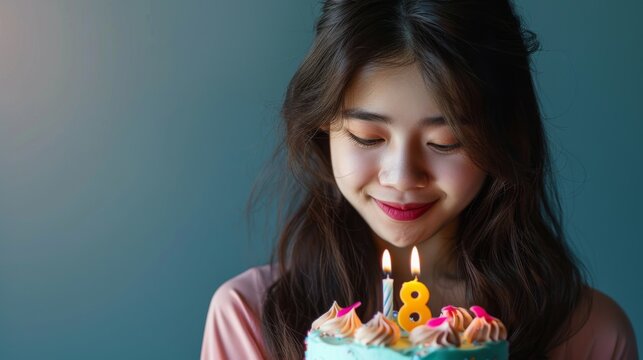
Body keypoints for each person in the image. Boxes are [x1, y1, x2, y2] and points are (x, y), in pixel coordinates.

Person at [201, 0, 638, 359]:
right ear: (322, 129)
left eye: (446, 142)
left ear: (504, 139)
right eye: (367, 136)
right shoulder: (250, 319)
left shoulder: (590, 335)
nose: (402, 177)